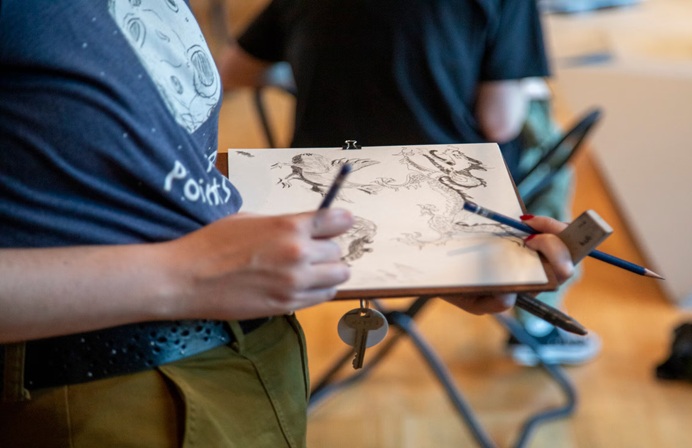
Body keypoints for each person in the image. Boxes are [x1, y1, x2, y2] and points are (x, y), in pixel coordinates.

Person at [0, 1, 575, 447]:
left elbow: (159, 178)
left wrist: (426, 244)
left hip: (249, 367)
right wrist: (185, 275)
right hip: (105, 394)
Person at [218, 0, 599, 367]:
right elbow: (499, 121)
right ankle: (537, 325)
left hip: (322, 198)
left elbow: (234, 72)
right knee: (543, 144)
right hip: (445, 197)